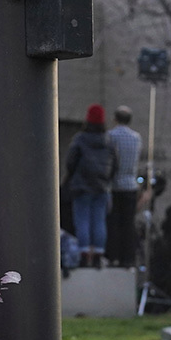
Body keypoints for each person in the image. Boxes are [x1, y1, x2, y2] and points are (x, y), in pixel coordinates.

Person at [64, 104, 118, 268]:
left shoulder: (80, 139)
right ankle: (98, 254)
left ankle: (84, 254)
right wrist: (107, 180)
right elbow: (115, 164)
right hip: (101, 187)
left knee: (82, 220)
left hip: (82, 186)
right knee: (99, 220)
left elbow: (70, 161)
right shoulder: (108, 140)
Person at [106, 105, 143, 268]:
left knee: (114, 222)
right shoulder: (136, 137)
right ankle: (128, 258)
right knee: (128, 223)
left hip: (114, 185)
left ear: (115, 119)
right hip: (131, 185)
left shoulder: (111, 136)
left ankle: (113, 256)